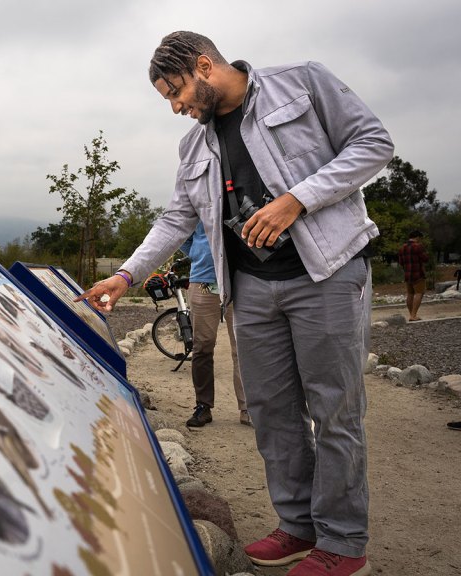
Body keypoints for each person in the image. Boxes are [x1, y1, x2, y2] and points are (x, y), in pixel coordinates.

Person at [77, 31, 392, 576]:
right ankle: (297, 526)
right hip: (250, 289)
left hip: (329, 273)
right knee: (271, 411)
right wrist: (127, 275)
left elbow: (373, 144)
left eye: (176, 92)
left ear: (204, 66)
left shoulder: (304, 83)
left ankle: (343, 544)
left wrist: (297, 200)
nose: (176, 108)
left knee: (334, 409)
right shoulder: (193, 146)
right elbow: (177, 218)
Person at [179, 221, 250, 428]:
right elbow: (183, 233)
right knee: (202, 346)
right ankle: (203, 405)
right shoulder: (200, 195)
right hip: (204, 279)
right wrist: (198, 252)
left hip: (241, 278)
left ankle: (248, 408)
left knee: (243, 348)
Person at [398, 230, 429, 321]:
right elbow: (425, 259)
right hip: (418, 273)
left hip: (407, 274)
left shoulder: (402, 248)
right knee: (419, 293)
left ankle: (411, 314)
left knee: (410, 294)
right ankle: (413, 315)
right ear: (417, 237)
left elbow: (401, 262)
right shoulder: (418, 247)